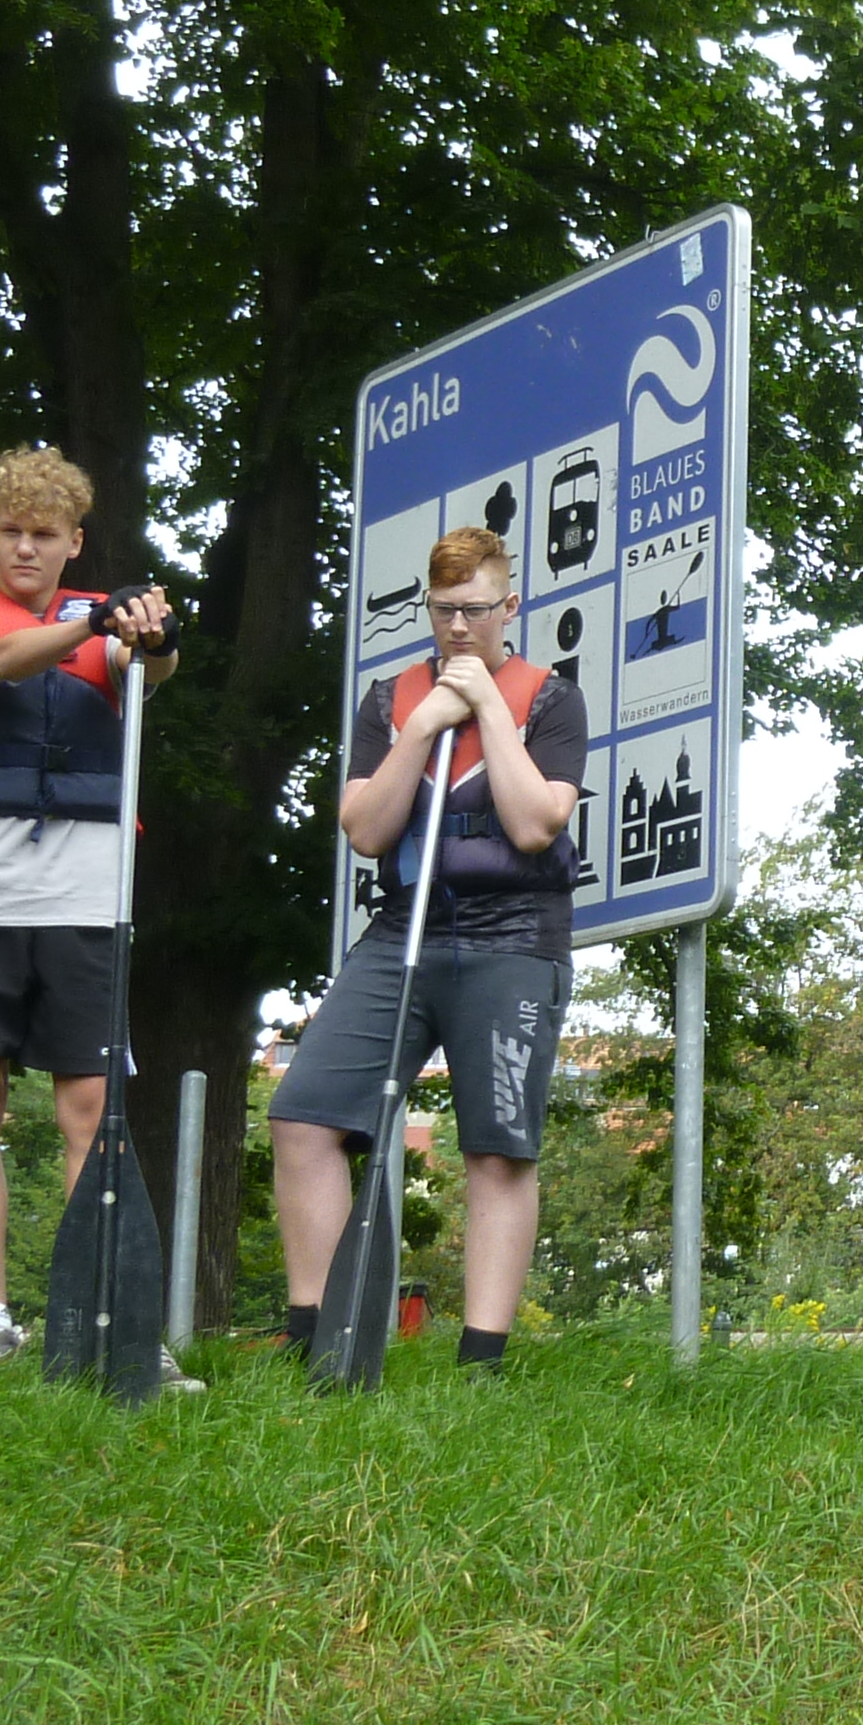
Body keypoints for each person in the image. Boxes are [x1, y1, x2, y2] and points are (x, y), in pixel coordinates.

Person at [266, 527, 584, 1370]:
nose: (458, 627)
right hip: (403, 928)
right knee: (303, 1116)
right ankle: (318, 1334)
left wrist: (488, 709)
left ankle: (480, 1360)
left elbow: (534, 824)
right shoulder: (389, 699)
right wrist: (423, 727)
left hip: (515, 937)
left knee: (497, 1146)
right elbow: (367, 832)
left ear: (509, 606)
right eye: (443, 611)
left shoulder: (551, 699)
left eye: (475, 610)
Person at [0, 447, 173, 1362]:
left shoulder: (103, 625)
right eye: (11, 532)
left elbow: (145, 669)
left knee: (92, 1103)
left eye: (44, 534)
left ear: (74, 543)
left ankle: (103, 1315)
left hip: (85, 886)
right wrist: (91, 625)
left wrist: (152, 635)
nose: (26, 548)